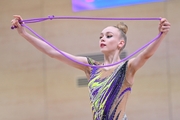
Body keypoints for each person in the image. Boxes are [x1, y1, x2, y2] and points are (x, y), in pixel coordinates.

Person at [11, 15, 170, 120]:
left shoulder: (126, 68)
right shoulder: (91, 67)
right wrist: (24, 33)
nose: (103, 39)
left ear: (120, 43)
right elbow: (54, 53)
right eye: (101, 36)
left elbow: (145, 55)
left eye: (108, 36)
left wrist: (161, 35)